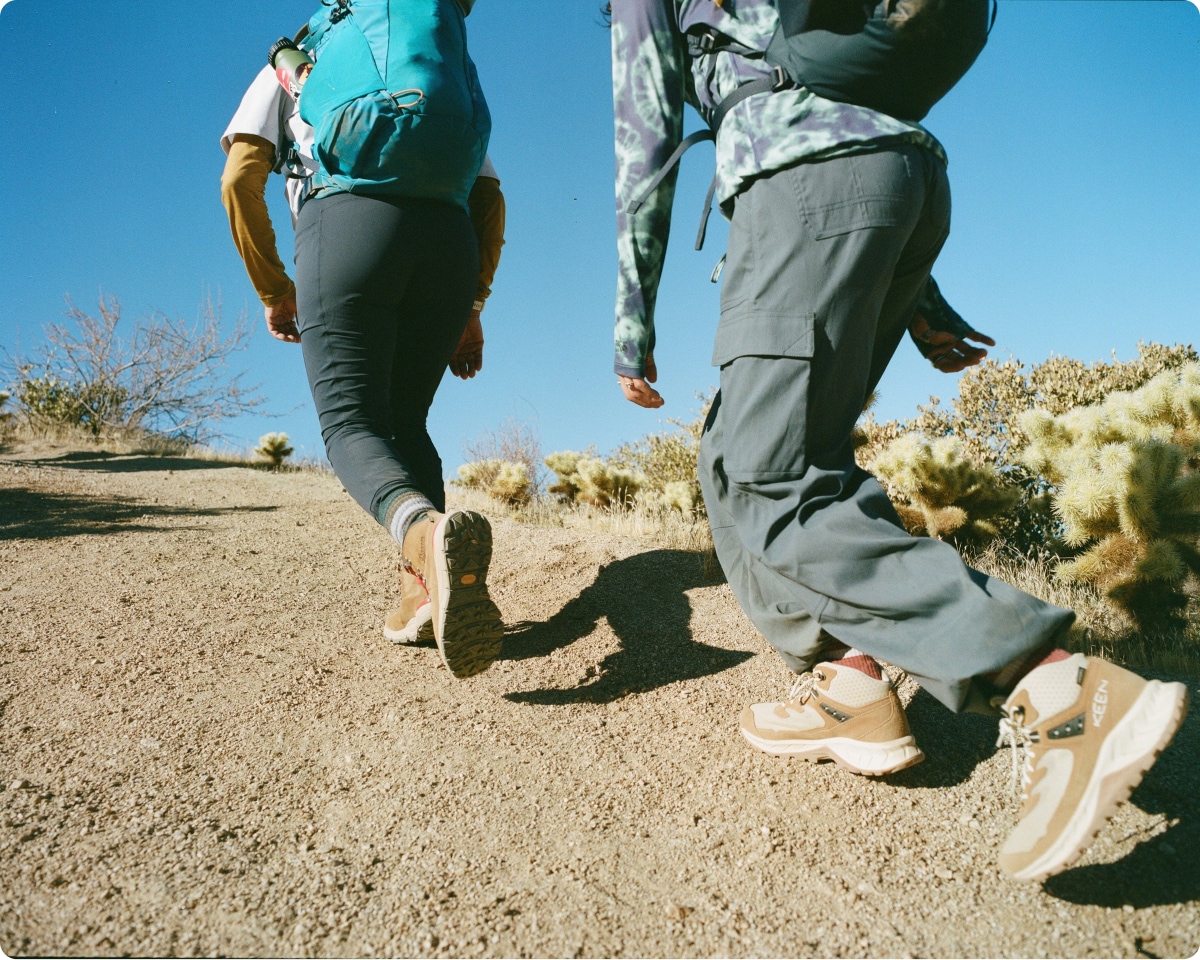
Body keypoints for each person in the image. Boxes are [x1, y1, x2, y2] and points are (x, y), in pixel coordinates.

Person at [607, 0, 1187, 881]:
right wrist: (922, 303)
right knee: (739, 458)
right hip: (895, 180)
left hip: (803, 182)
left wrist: (630, 319)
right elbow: (845, 102)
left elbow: (645, 136)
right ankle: (850, 678)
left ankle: (1056, 686)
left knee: (770, 478)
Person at [220, 13, 506, 679]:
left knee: (351, 423)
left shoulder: (300, 59)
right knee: (405, 423)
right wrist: (473, 306)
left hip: (349, 225)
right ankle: (423, 596)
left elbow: (240, 175)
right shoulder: (435, 52)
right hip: (449, 241)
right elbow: (489, 197)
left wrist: (273, 288)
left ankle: (424, 533)